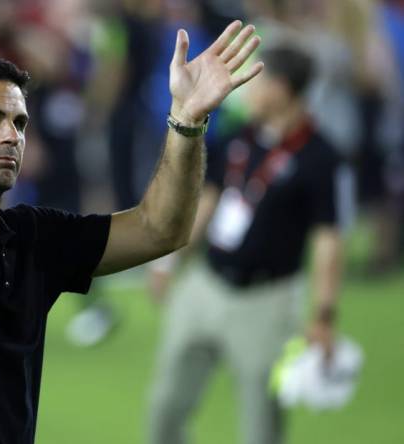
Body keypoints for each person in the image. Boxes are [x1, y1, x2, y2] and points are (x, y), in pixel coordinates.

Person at [0, 1, 263, 442]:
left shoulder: (34, 238)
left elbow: (161, 228)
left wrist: (187, 119)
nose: (10, 135)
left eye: (19, 122)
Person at [146, 44, 348, 444]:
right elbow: (208, 201)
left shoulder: (323, 158)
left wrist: (323, 315)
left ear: (283, 88)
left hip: (267, 301)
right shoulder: (238, 136)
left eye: (260, 81)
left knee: (262, 427)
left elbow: (329, 239)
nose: (247, 91)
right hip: (206, 285)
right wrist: (170, 262)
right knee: (165, 408)